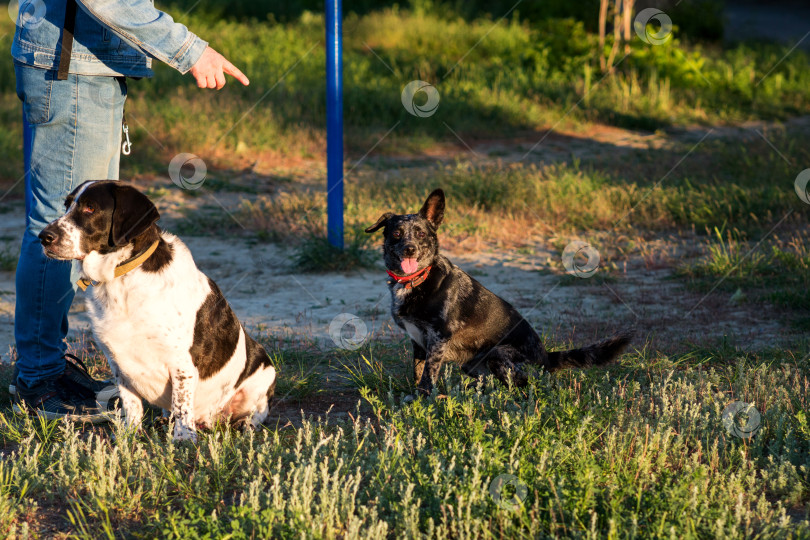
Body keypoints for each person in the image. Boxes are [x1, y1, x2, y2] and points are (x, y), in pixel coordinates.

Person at [10, 0, 249, 421]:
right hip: (73, 68)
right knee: (62, 227)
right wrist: (190, 49)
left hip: (88, 65)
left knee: (88, 228)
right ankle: (39, 379)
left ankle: (46, 367)